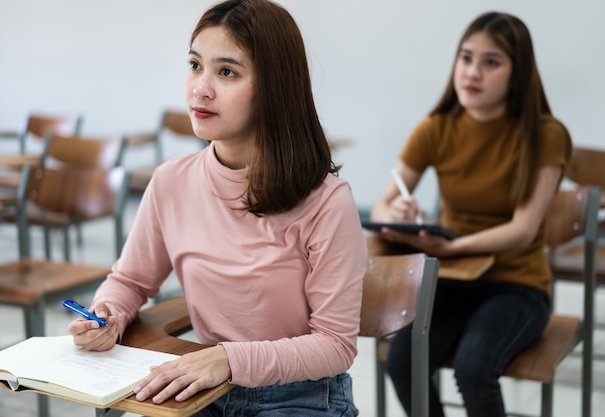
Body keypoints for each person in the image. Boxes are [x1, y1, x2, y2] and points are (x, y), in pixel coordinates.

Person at [67, 0, 367, 415]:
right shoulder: (171, 181)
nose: (200, 88)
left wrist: (228, 359)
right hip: (204, 388)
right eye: (194, 65)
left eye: (226, 72)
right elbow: (131, 281)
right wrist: (109, 315)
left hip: (302, 394)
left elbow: (335, 345)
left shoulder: (327, 201)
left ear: (275, 86)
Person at [370, 11, 572, 417]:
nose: (472, 72)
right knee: (402, 361)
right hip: (451, 281)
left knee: (474, 368)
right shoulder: (436, 128)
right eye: (466, 58)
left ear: (518, 74)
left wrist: (451, 246)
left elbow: (522, 229)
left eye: (491, 62)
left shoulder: (546, 135)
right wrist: (399, 209)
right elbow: (381, 205)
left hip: (516, 284)